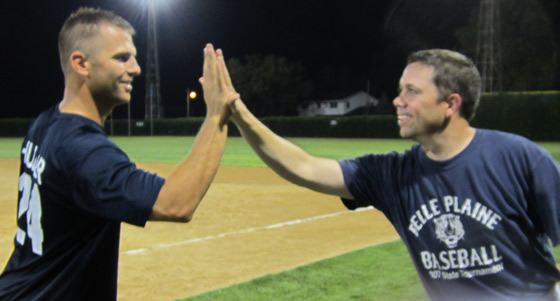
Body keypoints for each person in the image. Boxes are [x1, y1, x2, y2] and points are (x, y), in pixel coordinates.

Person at [225, 49, 560, 300]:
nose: (398, 100)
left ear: (451, 103)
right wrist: (237, 112)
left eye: (412, 91)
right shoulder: (392, 174)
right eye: (401, 90)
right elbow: (304, 167)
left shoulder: (519, 158)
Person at [0, 7, 237, 300]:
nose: (136, 68)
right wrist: (216, 115)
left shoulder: (44, 123)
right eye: (122, 57)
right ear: (81, 64)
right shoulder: (83, 151)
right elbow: (177, 203)